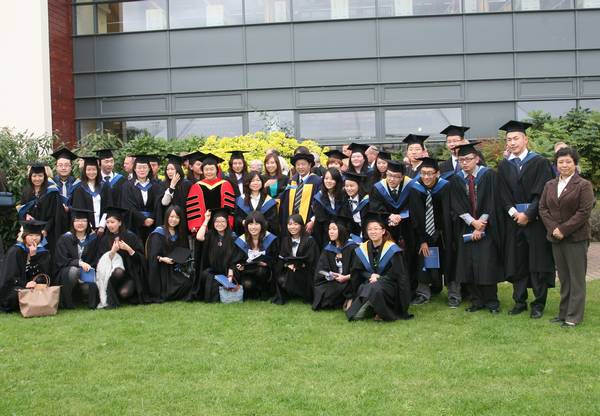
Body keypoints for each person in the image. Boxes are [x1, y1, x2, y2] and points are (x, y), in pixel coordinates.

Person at [497, 120, 555, 319]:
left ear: (525, 140)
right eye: (509, 139)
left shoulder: (540, 162)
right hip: (514, 223)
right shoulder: (504, 165)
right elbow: (502, 195)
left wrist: (528, 215)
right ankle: (519, 301)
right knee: (518, 262)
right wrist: (515, 214)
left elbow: (543, 193)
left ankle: (538, 304)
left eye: (516, 138)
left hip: (536, 222)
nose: (512, 142)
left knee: (538, 263)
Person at [539, 147, 595, 328]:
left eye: (568, 162)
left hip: (576, 238)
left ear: (575, 164)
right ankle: (563, 313)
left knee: (576, 279)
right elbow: (543, 208)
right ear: (556, 164)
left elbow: (584, 212)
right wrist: (553, 229)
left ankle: (573, 316)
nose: (564, 165)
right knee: (564, 278)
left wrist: (563, 229)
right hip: (556, 237)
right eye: (560, 162)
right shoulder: (549, 184)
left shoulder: (584, 185)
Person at [449, 142, 504, 314]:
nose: (465, 163)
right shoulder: (456, 179)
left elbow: (493, 200)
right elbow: (456, 204)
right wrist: (472, 223)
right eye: (461, 160)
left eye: (468, 159)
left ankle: (492, 302)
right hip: (466, 228)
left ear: (477, 159)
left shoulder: (489, 175)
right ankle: (476, 300)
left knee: (487, 264)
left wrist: (481, 225)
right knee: (469, 265)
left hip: (487, 227)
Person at [409, 157, 457, 307]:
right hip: (424, 233)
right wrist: (422, 240)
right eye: (423, 173)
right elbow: (414, 217)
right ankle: (423, 293)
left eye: (430, 173)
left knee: (449, 261)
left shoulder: (446, 186)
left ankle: (454, 295)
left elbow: (451, 211)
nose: (426, 177)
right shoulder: (415, 188)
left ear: (437, 173)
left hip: (444, 233)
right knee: (423, 260)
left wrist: (450, 234)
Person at [345, 213, 412, 322]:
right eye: (370, 229)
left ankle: (379, 312)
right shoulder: (363, 248)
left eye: (376, 229)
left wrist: (380, 278)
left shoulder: (392, 249)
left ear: (383, 231)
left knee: (375, 288)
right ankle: (373, 308)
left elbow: (398, 273)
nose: (373, 232)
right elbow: (358, 271)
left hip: (389, 285)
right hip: (370, 282)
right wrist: (370, 275)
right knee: (369, 287)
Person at [369, 159, 416, 287]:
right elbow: (375, 207)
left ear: (402, 177)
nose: (391, 179)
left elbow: (415, 206)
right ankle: (389, 285)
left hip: (407, 228)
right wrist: (389, 216)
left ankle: (410, 287)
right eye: (389, 175)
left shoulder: (411, 186)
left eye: (396, 176)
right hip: (387, 227)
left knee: (409, 257)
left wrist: (401, 216)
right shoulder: (378, 188)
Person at [95, 206, 149, 307]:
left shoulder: (131, 236)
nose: (110, 225)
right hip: (112, 276)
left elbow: (140, 259)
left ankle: (116, 294)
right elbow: (100, 263)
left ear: (120, 223)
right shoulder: (104, 240)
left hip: (130, 275)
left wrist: (129, 249)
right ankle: (110, 295)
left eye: (112, 222)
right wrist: (112, 252)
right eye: (107, 222)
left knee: (124, 293)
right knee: (118, 271)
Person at [0, 220, 53, 313]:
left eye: (37, 235)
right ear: (24, 236)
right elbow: (9, 277)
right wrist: (25, 284)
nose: (34, 238)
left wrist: (33, 257)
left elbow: (44, 274)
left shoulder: (43, 252)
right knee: (15, 294)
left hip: (37, 286)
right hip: (16, 286)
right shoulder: (15, 251)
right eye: (31, 235)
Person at [54, 208, 100, 309]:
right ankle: (67, 302)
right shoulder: (65, 238)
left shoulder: (93, 239)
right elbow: (61, 260)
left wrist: (89, 269)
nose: (80, 223)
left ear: (88, 223)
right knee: (73, 271)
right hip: (68, 273)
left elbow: (96, 259)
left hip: (86, 273)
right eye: (77, 220)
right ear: (73, 222)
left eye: (83, 221)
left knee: (90, 286)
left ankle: (86, 300)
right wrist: (79, 263)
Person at [146, 205, 193, 302]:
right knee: (179, 286)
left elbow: (184, 251)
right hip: (161, 269)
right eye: (171, 216)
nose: (174, 220)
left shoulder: (180, 233)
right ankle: (166, 294)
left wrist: (179, 258)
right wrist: (163, 259)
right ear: (167, 217)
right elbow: (152, 255)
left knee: (188, 282)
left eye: (177, 217)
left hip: (175, 268)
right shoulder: (158, 233)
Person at [273, 214, 320, 305]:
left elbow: (313, 260)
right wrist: (287, 265)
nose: (292, 227)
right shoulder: (285, 240)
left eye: (295, 224)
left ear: (301, 225)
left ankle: (301, 293)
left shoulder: (309, 240)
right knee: (281, 276)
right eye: (290, 224)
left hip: (306, 272)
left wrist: (299, 265)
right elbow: (282, 259)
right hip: (290, 270)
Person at [192, 208, 237, 302]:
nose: (220, 224)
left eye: (223, 221)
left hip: (227, 271)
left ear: (227, 222)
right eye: (217, 221)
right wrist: (206, 220)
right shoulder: (210, 234)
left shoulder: (232, 236)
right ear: (213, 222)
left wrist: (230, 274)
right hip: (213, 270)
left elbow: (234, 257)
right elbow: (199, 237)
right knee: (206, 276)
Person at [232, 211, 279, 300]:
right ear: (246, 226)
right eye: (250, 224)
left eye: (256, 224)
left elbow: (276, 259)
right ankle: (254, 292)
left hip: (265, 274)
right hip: (248, 272)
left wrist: (268, 264)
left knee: (261, 270)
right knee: (247, 284)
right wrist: (239, 265)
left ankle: (264, 291)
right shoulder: (241, 240)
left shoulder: (270, 239)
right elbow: (237, 260)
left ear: (262, 225)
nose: (253, 227)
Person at [312, 218, 357, 311]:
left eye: (334, 229)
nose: (331, 232)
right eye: (329, 229)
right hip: (334, 280)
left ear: (342, 230)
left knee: (345, 287)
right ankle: (345, 299)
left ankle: (349, 298)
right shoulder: (328, 248)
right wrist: (330, 274)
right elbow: (320, 269)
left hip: (349, 280)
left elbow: (358, 269)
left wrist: (345, 277)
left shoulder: (352, 248)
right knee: (321, 292)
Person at [16, 163, 61, 254]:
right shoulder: (26, 190)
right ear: (30, 177)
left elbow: (55, 213)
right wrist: (26, 215)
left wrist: (46, 229)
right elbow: (22, 209)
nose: (37, 179)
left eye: (40, 176)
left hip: (47, 231)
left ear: (44, 176)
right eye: (34, 176)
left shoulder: (52, 191)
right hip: (30, 231)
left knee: (45, 254)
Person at [186, 153, 235, 233]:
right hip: (204, 229)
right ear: (202, 170)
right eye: (206, 169)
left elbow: (229, 207)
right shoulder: (196, 187)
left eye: (212, 169)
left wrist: (227, 223)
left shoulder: (225, 184)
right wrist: (196, 226)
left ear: (217, 170)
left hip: (222, 228)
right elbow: (193, 209)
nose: (209, 172)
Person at [121, 155, 164, 243]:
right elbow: (128, 205)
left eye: (144, 167)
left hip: (153, 224)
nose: (142, 170)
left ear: (149, 169)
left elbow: (158, 204)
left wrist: (152, 218)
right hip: (134, 225)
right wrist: (143, 219)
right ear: (134, 169)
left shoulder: (156, 186)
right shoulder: (127, 186)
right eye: (139, 167)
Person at [278, 153, 321, 233]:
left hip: (309, 223)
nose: (300, 167)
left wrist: (313, 220)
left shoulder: (317, 182)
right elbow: (284, 201)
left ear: (309, 165)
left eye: (303, 164)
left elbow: (320, 204)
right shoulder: (292, 181)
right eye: (298, 164)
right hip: (292, 223)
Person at [71, 156, 113, 235]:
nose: (91, 172)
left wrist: (102, 226)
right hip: (86, 229)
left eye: (94, 169)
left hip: (104, 228)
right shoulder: (80, 188)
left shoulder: (105, 186)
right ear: (85, 171)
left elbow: (109, 207)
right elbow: (79, 210)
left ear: (98, 170)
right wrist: (89, 227)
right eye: (88, 170)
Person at [234, 172, 279, 236]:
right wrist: (243, 222)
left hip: (265, 236)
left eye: (258, 180)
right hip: (245, 235)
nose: (255, 183)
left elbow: (273, 222)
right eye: (252, 181)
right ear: (248, 183)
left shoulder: (269, 201)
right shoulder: (240, 200)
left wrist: (262, 224)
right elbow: (237, 218)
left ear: (262, 182)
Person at [158, 154, 193, 234]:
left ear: (178, 169)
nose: (169, 171)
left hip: (184, 220)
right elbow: (164, 203)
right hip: (169, 220)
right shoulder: (163, 184)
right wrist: (172, 186)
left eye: (172, 169)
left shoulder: (187, 184)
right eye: (167, 169)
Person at [311, 168, 344, 249]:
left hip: (342, 232)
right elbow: (321, 219)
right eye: (326, 178)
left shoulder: (343, 195)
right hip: (325, 234)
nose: (328, 181)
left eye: (332, 179)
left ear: (337, 180)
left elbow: (345, 215)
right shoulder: (319, 197)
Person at [339, 172, 370, 240]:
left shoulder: (366, 201)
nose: (349, 188)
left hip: (367, 231)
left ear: (358, 186)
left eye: (352, 186)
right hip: (352, 231)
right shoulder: (344, 200)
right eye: (346, 186)